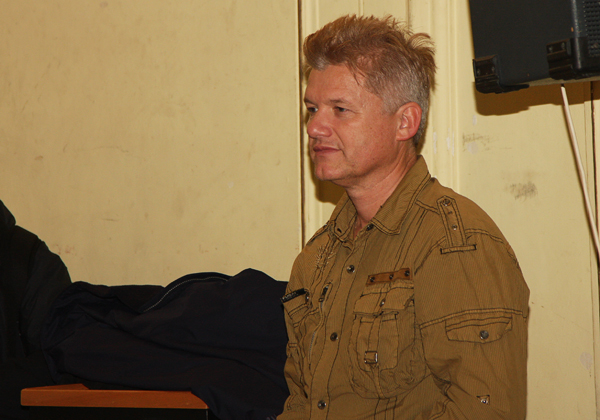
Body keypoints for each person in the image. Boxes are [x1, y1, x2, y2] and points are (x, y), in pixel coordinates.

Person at [278, 14, 529, 420]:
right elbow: (301, 404)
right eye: (312, 108)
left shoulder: (456, 244)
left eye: (340, 109)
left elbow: (484, 411)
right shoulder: (317, 256)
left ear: (404, 122)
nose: (315, 127)